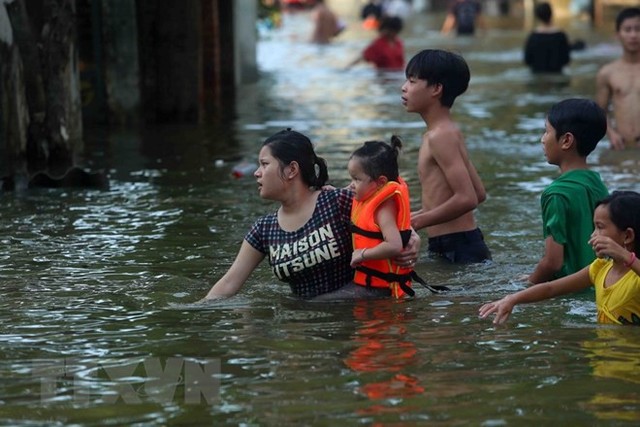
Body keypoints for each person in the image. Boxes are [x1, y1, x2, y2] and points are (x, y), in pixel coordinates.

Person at [202, 129, 419, 301]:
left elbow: (391, 221)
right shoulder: (264, 229)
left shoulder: (337, 201)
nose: (257, 172)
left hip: (359, 321)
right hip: (303, 326)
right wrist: (195, 312)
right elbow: (230, 283)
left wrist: (413, 240)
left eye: (265, 164)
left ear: (291, 170)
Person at [480, 191, 640, 326]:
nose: (592, 236)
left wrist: (627, 257)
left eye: (600, 227)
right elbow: (551, 288)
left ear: (627, 236)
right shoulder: (601, 267)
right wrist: (512, 299)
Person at [401, 49, 491, 264]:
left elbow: (467, 198)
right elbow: (478, 193)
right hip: (460, 243)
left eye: (412, 81)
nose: (404, 87)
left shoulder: (440, 136)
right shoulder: (447, 131)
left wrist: (417, 221)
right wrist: (410, 217)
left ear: (436, 89)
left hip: (457, 246)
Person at [524, 98, 609, 285]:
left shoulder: (556, 194)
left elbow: (553, 263)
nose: (542, 139)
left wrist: (529, 284)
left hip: (570, 291)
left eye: (547, 131)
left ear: (566, 140)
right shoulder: (597, 183)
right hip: (602, 285)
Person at [348, 136, 414, 298]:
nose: (351, 184)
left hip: (382, 290)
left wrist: (362, 254)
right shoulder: (370, 195)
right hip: (372, 283)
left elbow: (394, 245)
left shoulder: (383, 209)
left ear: (380, 182)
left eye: (356, 179)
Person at [595, 7, 640, 150]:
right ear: (618, 35)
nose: (633, 35)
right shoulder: (607, 73)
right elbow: (600, 113)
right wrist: (611, 133)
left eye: (638, 29)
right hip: (620, 146)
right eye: (627, 30)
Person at [523, 2, 571, 74]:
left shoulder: (532, 37)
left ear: (538, 16)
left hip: (537, 75)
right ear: (551, 14)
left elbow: (527, 60)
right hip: (557, 74)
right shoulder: (561, 36)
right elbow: (566, 60)